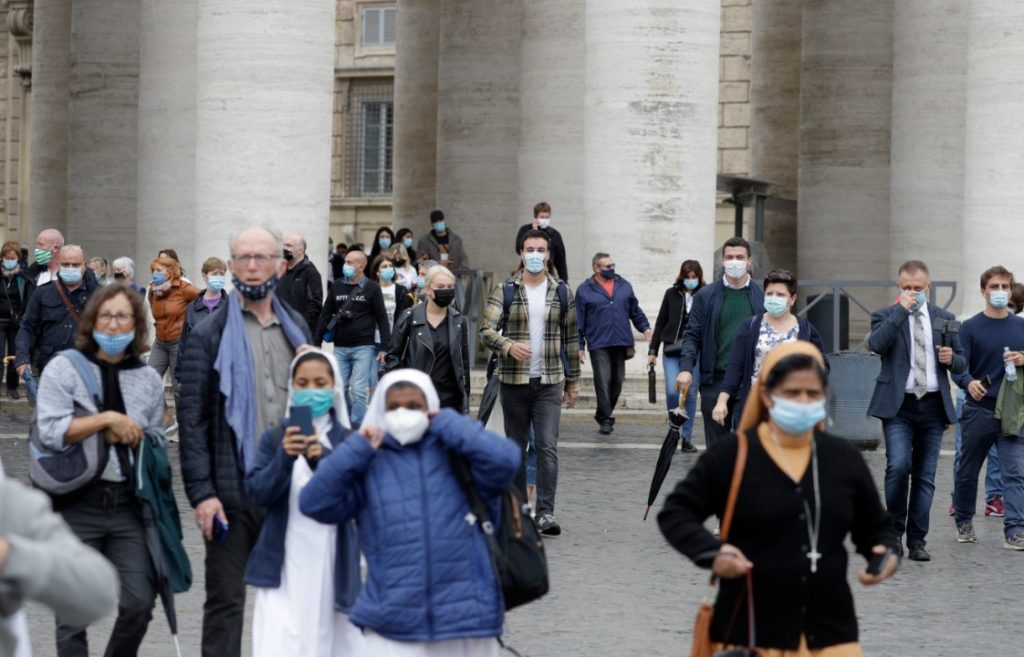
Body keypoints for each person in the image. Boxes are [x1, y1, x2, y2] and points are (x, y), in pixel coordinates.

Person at [658, 341, 899, 655]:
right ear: (768, 396)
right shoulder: (734, 455)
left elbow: (877, 527)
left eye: (812, 394)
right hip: (753, 632)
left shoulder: (844, 459)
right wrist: (712, 552)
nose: (802, 401)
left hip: (830, 633)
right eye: (791, 393)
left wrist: (885, 555)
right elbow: (676, 512)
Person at [299, 370, 520, 657]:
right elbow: (314, 502)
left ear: (430, 408)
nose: (403, 413)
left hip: (467, 618)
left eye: (414, 406)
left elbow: (507, 460)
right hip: (393, 620)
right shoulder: (369, 462)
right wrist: (357, 447)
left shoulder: (459, 454)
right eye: (394, 407)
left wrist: (448, 422)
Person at [178, 227, 312, 657]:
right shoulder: (208, 334)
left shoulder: (298, 329)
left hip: (290, 491)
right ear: (232, 266)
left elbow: (314, 407)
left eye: (262, 257)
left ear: (280, 264)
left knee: (298, 604)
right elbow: (192, 421)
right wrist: (202, 495)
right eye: (243, 258)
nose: (252, 266)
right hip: (231, 494)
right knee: (226, 604)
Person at [35, 284, 167, 656]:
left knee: (140, 602)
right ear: (92, 321)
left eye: (122, 316)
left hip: (128, 503)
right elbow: (49, 431)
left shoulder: (147, 380)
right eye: (106, 316)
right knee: (72, 611)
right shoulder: (64, 368)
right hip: (75, 500)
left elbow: (156, 440)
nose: (113, 325)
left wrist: (141, 436)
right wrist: (105, 420)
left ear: (136, 324)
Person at [244, 349, 362, 657]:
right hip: (284, 561)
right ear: (293, 387)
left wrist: (320, 457)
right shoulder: (275, 438)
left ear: (334, 386)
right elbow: (258, 493)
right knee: (280, 642)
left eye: (320, 383)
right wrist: (284, 456)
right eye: (303, 383)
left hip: (331, 558)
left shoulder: (348, 441)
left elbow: (353, 498)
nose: (311, 391)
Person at [480, 230, 580, 536]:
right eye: (529, 249)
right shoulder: (505, 289)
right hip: (513, 381)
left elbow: (571, 338)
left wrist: (572, 382)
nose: (535, 254)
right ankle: (519, 509)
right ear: (521, 253)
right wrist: (507, 346)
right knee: (516, 447)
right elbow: (485, 329)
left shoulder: (562, 291)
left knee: (548, 446)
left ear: (548, 254)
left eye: (540, 249)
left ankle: (545, 512)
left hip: (549, 381)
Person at [866, 260, 965, 562]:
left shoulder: (943, 318)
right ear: (899, 288)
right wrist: (900, 311)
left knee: (925, 476)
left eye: (918, 289)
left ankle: (917, 540)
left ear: (928, 288)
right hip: (899, 405)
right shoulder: (885, 315)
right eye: (907, 288)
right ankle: (893, 533)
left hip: (933, 405)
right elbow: (876, 345)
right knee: (898, 466)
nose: (912, 293)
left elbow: (962, 362)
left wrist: (952, 359)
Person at [0, 476, 120, 657]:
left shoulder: (8, 503)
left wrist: (9, 555)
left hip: (106, 498)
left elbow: (99, 593)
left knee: (137, 603)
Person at [952, 265, 1024, 549]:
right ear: (983, 291)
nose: (1000, 292)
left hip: (1013, 410)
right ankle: (964, 519)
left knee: (1015, 471)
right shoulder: (970, 327)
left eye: (1005, 287)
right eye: (994, 287)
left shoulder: (1021, 327)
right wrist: (968, 382)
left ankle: (1015, 529)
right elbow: (959, 366)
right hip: (979, 408)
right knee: (968, 469)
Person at [676, 237, 765, 448]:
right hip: (714, 379)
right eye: (730, 257)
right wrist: (687, 368)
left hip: (750, 380)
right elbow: (693, 335)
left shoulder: (762, 296)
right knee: (717, 446)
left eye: (740, 257)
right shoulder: (706, 296)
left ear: (749, 261)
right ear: (723, 261)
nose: (735, 262)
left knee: (749, 442)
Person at [713, 269, 826, 429]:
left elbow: (822, 366)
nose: (774, 298)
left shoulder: (805, 329)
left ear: (792, 299)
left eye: (780, 295)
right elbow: (735, 368)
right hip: (756, 405)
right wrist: (722, 401)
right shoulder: (750, 326)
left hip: (792, 409)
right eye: (770, 294)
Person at [576, 252, 652, 435]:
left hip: (621, 340)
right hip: (598, 342)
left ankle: (602, 412)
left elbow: (635, 311)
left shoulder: (624, 286)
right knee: (602, 379)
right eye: (607, 266)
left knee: (617, 381)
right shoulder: (584, 290)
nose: (612, 269)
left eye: (613, 266)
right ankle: (606, 419)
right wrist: (579, 345)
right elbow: (579, 320)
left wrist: (646, 328)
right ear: (596, 268)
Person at [316, 249, 391, 428]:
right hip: (340, 347)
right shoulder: (336, 286)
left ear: (361, 266)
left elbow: (382, 318)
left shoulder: (372, 288)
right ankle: (346, 423)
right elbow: (325, 315)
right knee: (339, 390)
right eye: (346, 261)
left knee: (358, 390)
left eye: (350, 262)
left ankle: (358, 429)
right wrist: (316, 343)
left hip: (363, 347)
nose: (346, 265)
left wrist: (384, 347)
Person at [385, 265, 470, 412]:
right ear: (428, 289)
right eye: (441, 286)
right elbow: (393, 356)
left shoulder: (459, 321)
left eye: (450, 286)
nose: (446, 290)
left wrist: (465, 398)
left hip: (449, 400)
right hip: (415, 397)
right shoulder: (410, 317)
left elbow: (463, 363)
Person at [15, 245, 99, 376]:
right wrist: (22, 358)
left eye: (75, 265)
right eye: (66, 264)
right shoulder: (42, 293)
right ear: (59, 264)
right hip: (50, 367)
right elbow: (28, 327)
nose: (71, 268)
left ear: (84, 265)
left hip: (87, 369)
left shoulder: (100, 296)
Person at [649, 259, 704, 451]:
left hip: (696, 350)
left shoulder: (705, 294)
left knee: (689, 394)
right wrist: (652, 350)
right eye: (687, 277)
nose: (691, 280)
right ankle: (674, 429)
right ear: (682, 276)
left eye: (694, 277)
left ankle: (686, 438)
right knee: (673, 391)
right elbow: (661, 322)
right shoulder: (671, 294)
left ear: (699, 277)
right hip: (672, 349)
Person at [148, 254, 201, 432]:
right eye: (154, 270)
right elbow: (153, 309)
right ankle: (167, 416)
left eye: (158, 270)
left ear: (170, 272)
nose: (154, 274)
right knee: (149, 379)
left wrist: (192, 325)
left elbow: (202, 300)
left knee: (179, 386)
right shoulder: (152, 289)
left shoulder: (183, 288)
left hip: (178, 342)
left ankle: (185, 423)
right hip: (160, 342)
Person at [176, 257, 229, 380]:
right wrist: (179, 374)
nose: (219, 277)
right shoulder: (192, 308)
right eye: (214, 274)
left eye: (222, 274)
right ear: (204, 276)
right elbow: (184, 342)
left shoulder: (230, 306)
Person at [0, 241, 33, 399]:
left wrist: (23, 316)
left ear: (18, 258)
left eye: (13, 257)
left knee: (14, 354)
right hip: (0, 320)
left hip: (16, 321)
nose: (10, 260)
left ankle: (12, 386)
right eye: (7, 257)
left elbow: (27, 297)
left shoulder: (23, 277)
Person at [278, 233, 324, 333]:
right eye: (284, 245)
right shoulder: (280, 271)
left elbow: (315, 305)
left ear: (300, 250)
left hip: (302, 332)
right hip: (281, 330)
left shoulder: (311, 273)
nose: (285, 248)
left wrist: (300, 326)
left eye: (289, 246)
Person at [514, 201, 569, 283]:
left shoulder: (554, 234)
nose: (544, 219)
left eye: (546, 217)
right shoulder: (525, 230)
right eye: (542, 217)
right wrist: (534, 231)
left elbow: (561, 260)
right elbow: (518, 248)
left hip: (548, 271)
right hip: (528, 269)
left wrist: (564, 280)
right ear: (536, 217)